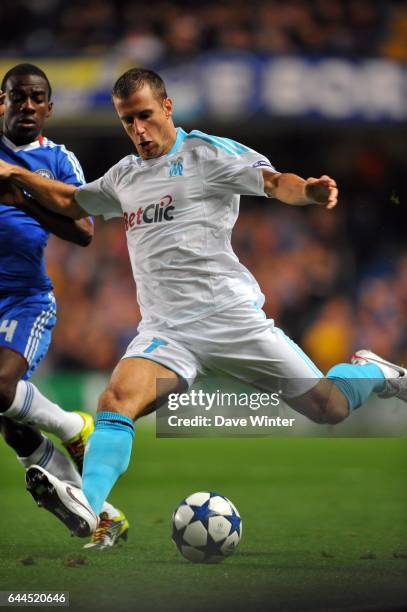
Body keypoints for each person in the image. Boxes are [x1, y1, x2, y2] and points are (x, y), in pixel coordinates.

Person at [0, 67, 405, 537]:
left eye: (146, 116)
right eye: (128, 121)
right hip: (166, 333)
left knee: (329, 407)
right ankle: (90, 510)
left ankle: (375, 371)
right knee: (116, 399)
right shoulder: (125, 175)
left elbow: (273, 182)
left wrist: (309, 192)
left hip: (232, 321)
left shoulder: (205, 153)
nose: (139, 131)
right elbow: (73, 203)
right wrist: (19, 177)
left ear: (168, 107)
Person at [0, 63, 128, 549]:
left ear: (48, 109)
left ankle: (73, 427)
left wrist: (21, 192)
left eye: (36, 99)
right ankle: (105, 515)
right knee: (12, 430)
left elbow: (83, 232)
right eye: (18, 97)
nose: (27, 106)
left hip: (23, 299)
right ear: (3, 102)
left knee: (0, 386)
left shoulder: (58, 161)